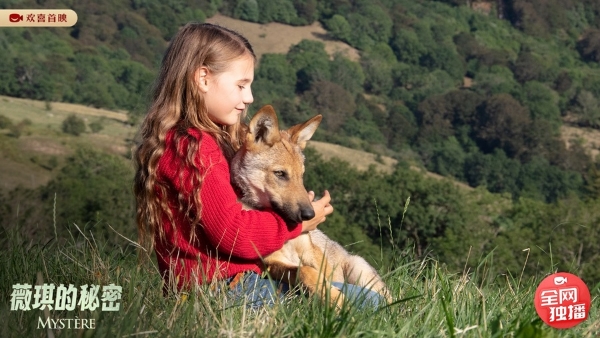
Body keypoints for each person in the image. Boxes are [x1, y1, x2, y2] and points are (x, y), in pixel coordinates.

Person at [133, 22, 382, 309]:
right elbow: (232, 234)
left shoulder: (207, 141)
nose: (249, 98)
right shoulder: (193, 147)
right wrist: (295, 225)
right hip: (221, 291)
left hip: (227, 285)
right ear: (203, 78)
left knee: (356, 296)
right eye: (241, 85)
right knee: (371, 304)